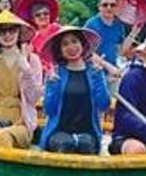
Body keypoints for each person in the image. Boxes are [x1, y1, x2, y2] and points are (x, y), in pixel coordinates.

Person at [0, 10, 44, 148]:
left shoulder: (32, 60)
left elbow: (34, 98)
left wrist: (27, 71)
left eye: (12, 30)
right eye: (2, 31)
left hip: (20, 119)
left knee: (5, 136)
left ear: (19, 32)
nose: (7, 35)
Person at [40, 26, 112, 154]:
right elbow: (49, 110)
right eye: (65, 44)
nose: (71, 47)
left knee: (86, 145)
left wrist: (98, 78)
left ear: (82, 44)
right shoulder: (56, 73)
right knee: (65, 144)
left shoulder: (94, 71)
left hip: (88, 132)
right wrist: (52, 85)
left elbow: (104, 105)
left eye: (74, 41)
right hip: (59, 131)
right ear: (60, 50)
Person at [83, 0, 137, 74]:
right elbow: (85, 50)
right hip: (93, 72)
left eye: (112, 5)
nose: (109, 7)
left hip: (113, 72)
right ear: (99, 7)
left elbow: (121, 51)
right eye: (105, 5)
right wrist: (107, 66)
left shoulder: (118, 24)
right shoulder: (91, 25)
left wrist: (134, 32)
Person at [15, 0, 61, 69]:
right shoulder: (33, 39)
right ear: (33, 19)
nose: (42, 17)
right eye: (37, 15)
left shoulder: (58, 30)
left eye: (46, 13)